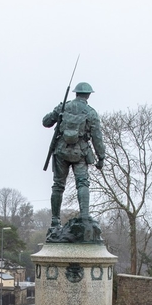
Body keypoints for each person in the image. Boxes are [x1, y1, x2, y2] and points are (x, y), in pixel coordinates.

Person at [42, 81, 105, 236]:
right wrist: (101, 157)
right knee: (82, 183)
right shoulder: (91, 113)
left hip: (61, 151)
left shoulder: (64, 106)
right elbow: (97, 138)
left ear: (76, 93)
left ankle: (55, 220)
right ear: (89, 95)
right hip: (80, 153)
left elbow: (46, 122)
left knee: (58, 185)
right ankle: (84, 216)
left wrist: (59, 111)